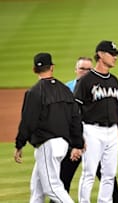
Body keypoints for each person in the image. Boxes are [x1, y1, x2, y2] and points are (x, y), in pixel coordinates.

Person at [14, 52, 84, 203]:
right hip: (63, 145)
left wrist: (19, 144)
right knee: (37, 188)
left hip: (47, 145)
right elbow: (75, 118)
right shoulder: (65, 89)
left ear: (34, 70)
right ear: (52, 67)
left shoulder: (34, 92)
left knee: (52, 188)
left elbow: (28, 122)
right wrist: (77, 144)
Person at [52, 56, 118, 203]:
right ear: (76, 70)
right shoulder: (65, 89)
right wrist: (73, 144)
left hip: (93, 140)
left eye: (88, 69)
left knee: (107, 177)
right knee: (63, 179)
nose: (85, 72)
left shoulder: (96, 85)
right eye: (82, 68)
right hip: (72, 142)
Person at [75, 40, 118, 203]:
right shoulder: (85, 81)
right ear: (100, 55)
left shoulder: (114, 80)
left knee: (109, 174)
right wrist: (78, 137)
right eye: (112, 54)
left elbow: (117, 108)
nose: (115, 57)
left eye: (116, 54)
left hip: (112, 132)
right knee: (89, 173)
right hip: (92, 131)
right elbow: (75, 111)